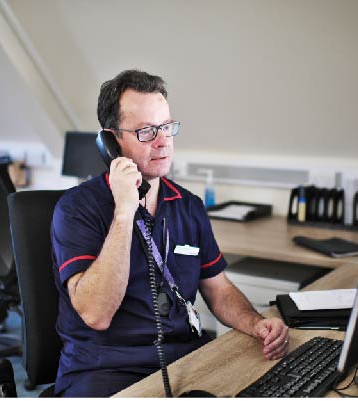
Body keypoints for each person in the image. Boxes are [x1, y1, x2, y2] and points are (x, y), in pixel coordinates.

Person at [51, 69, 289, 397]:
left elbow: (218, 290)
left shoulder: (187, 205)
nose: (163, 141)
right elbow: (96, 314)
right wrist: (123, 212)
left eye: (166, 127)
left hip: (184, 358)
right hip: (104, 368)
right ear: (111, 140)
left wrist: (255, 323)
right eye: (147, 131)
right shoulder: (78, 207)